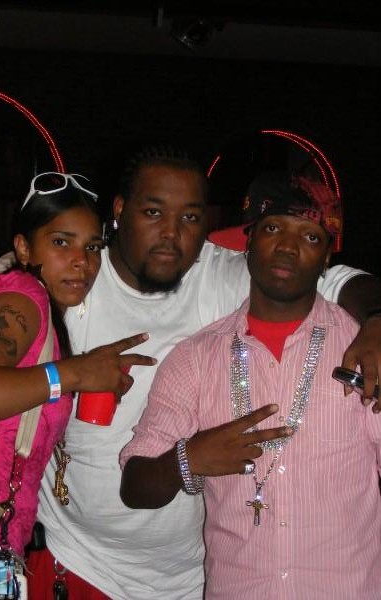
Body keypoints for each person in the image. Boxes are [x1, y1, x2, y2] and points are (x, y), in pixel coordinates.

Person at [0, 147, 381, 599]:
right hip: (79, 559)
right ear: (120, 211)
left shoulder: (226, 274)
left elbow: (334, 279)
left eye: (190, 218)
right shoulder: (67, 270)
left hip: (192, 575)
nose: (171, 233)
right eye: (153, 212)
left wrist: (377, 322)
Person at [120, 171, 381, 599]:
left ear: (327, 258)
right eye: (273, 228)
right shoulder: (195, 358)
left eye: (310, 236)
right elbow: (135, 487)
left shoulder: (362, 349)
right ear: (249, 241)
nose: (288, 247)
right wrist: (189, 458)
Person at [0, 172, 154, 599]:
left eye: (93, 247)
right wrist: (75, 374)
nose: (81, 261)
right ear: (23, 248)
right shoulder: (21, 294)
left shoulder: (45, 314)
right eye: (61, 242)